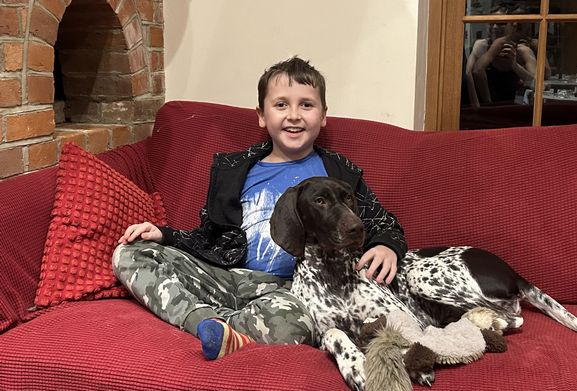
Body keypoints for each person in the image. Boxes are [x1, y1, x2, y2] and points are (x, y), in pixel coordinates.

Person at [112, 56, 407, 360]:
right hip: (227, 277)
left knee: (294, 327)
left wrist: (387, 245)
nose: (294, 115)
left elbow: (381, 222)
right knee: (130, 252)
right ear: (262, 116)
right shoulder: (234, 170)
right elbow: (207, 236)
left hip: (291, 291)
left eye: (306, 105)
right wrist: (165, 235)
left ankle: (222, 330)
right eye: (281, 105)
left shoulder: (338, 172)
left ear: (323, 116)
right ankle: (206, 322)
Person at [466, 5, 543, 107]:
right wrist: (482, 106)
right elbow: (470, 73)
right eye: (491, 23)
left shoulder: (522, 50)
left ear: (511, 26)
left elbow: (536, 84)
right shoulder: (482, 45)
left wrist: (515, 66)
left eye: (501, 24)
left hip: (513, 108)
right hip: (487, 108)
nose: (494, 27)